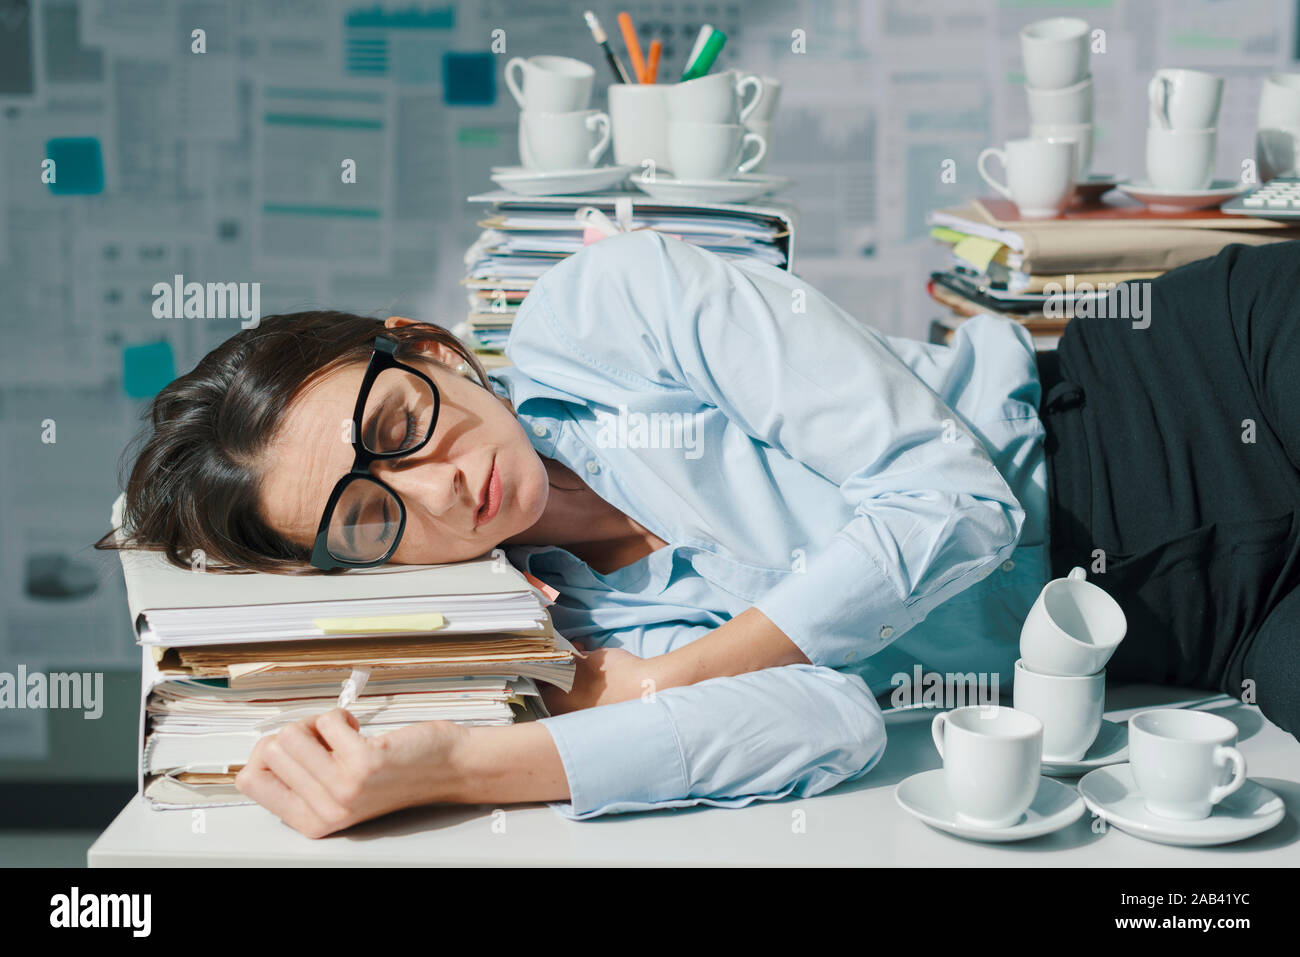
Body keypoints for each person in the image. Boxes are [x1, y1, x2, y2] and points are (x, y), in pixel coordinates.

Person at [103, 229, 1298, 839]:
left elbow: (956, 505)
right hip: (1198, 633)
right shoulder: (562, 638)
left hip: (1194, 388)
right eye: (369, 519)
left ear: (426, 348)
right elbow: (829, 726)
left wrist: (666, 681)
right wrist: (458, 764)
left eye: (403, 424)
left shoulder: (614, 311)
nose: (435, 490)